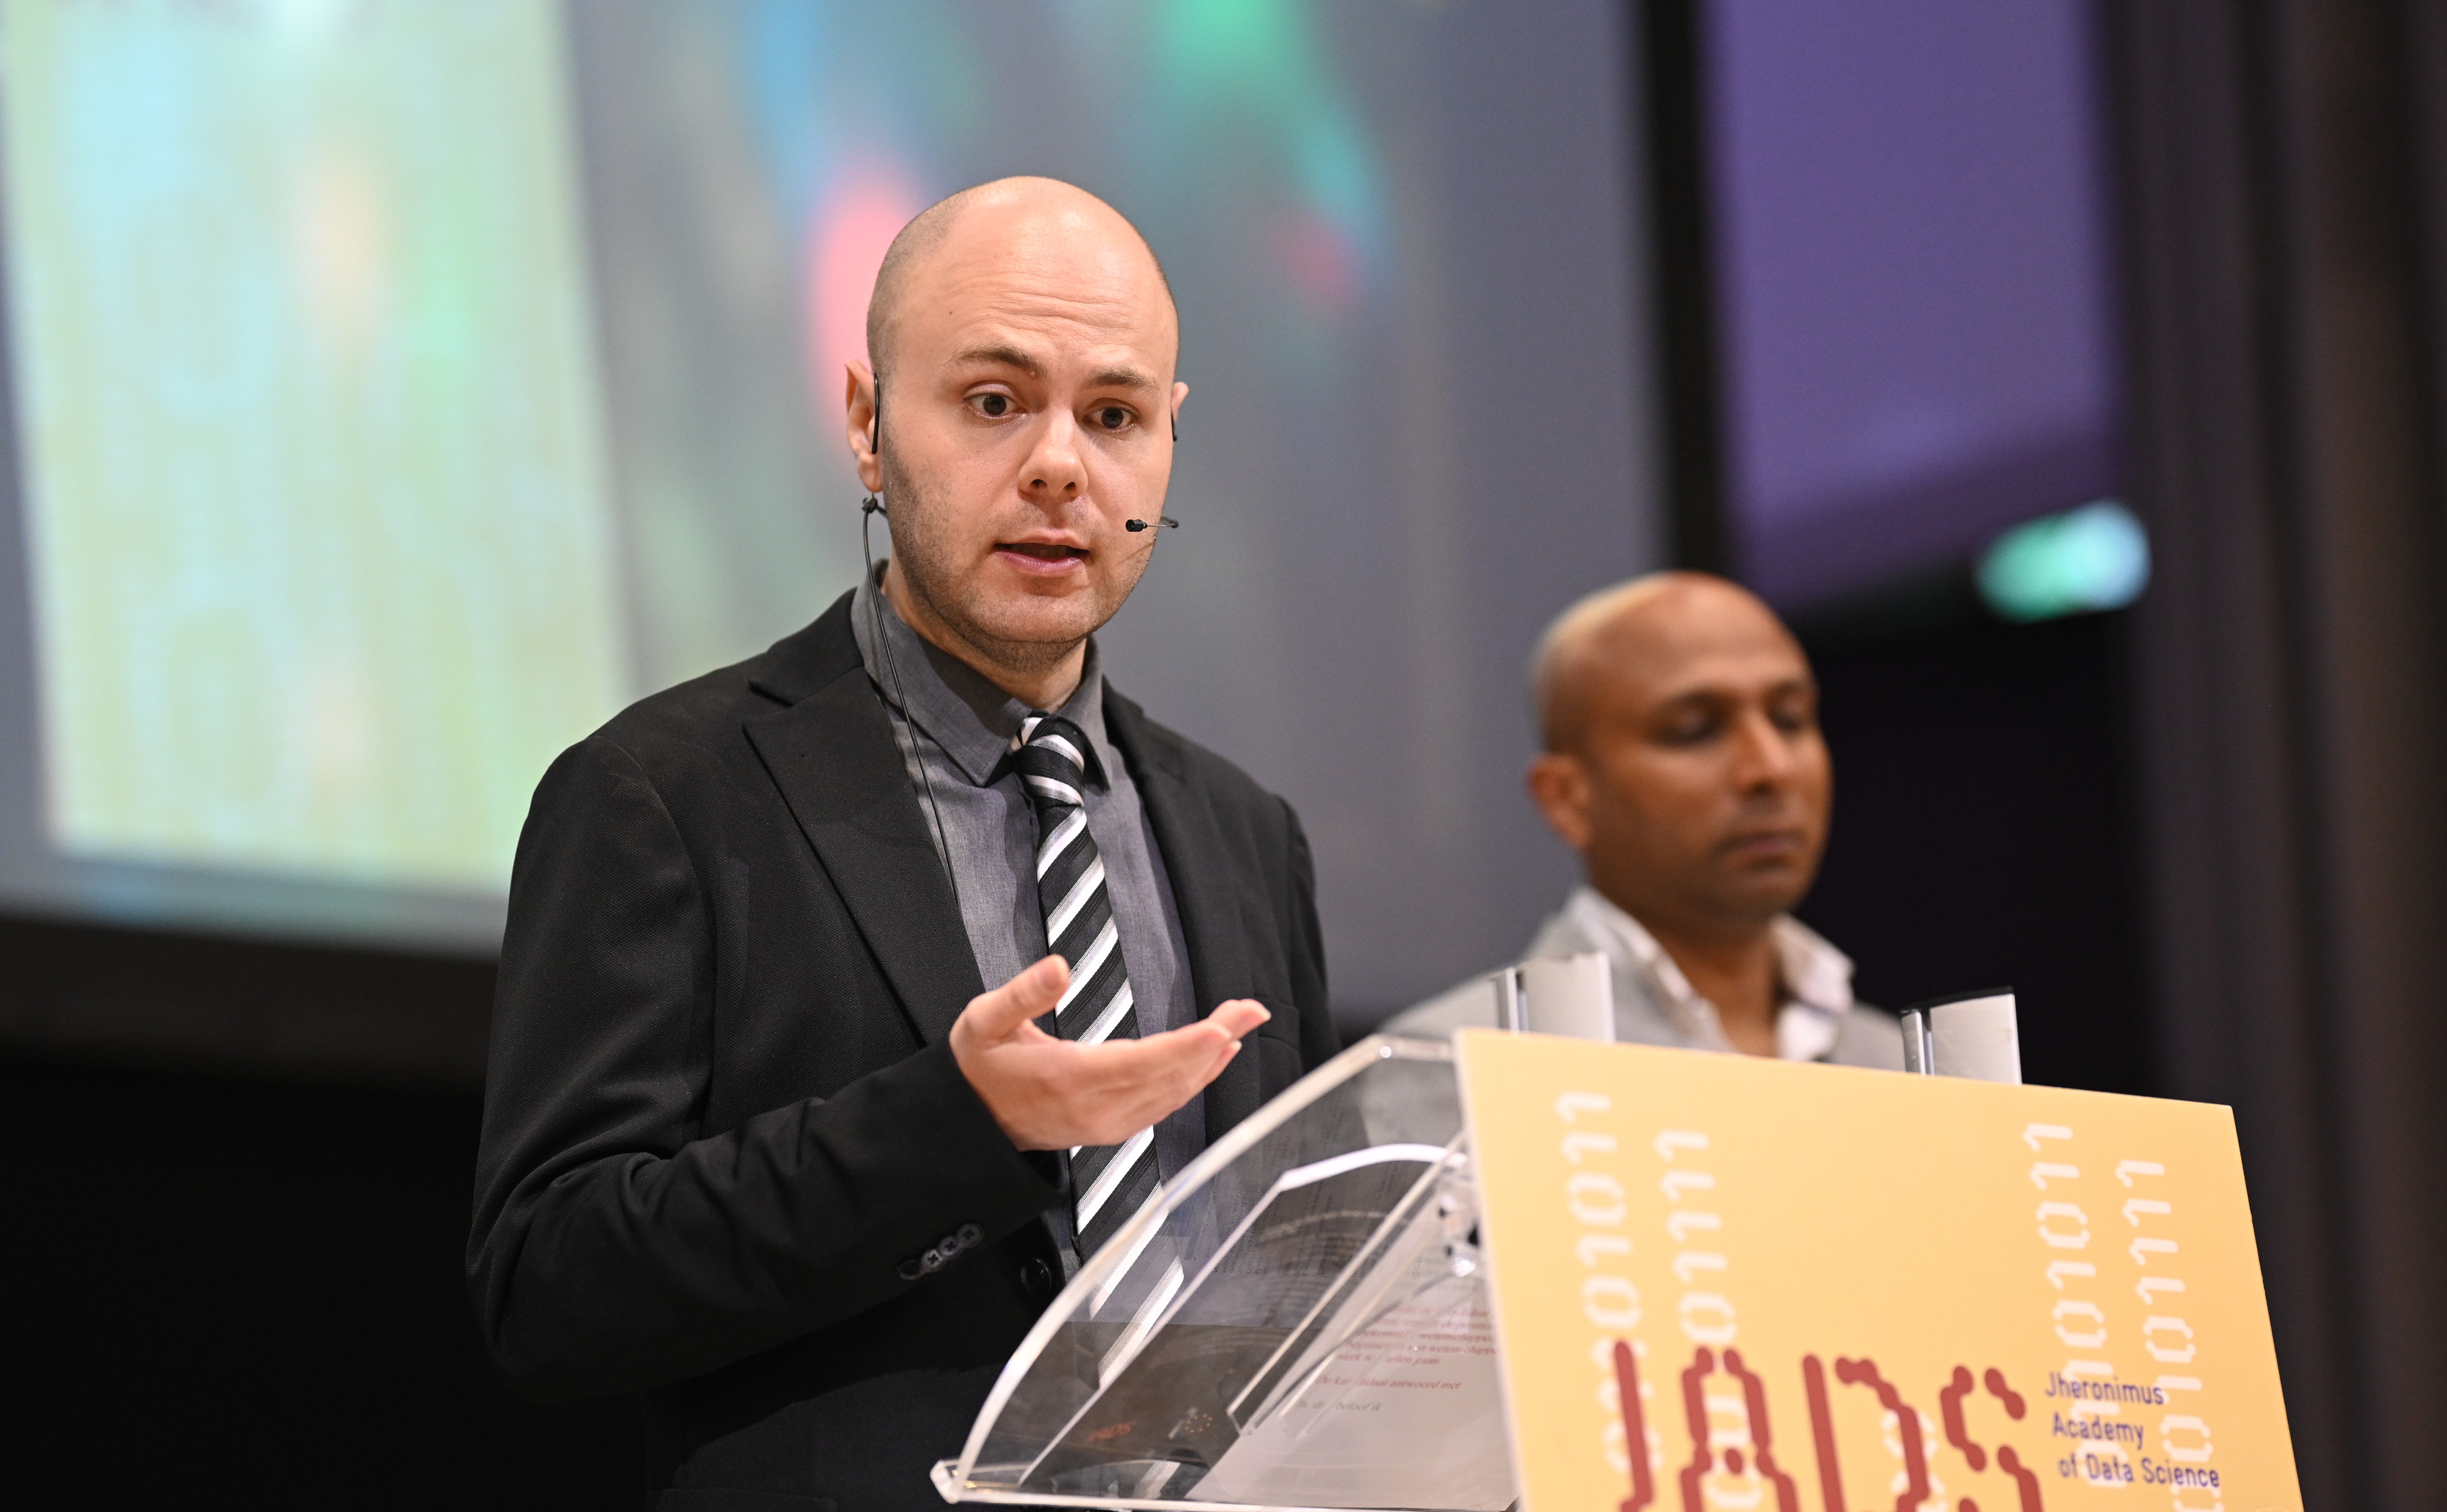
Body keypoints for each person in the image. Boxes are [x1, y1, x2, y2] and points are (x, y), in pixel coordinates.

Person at [467, 177, 1339, 1509]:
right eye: (993, 402)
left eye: (1112, 416)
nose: (1059, 466)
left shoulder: (1244, 834)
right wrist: (956, 1125)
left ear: (1170, 436)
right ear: (868, 426)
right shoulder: (664, 794)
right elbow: (550, 1283)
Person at [1388, 573, 1902, 1068]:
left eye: (1790, 718)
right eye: (1694, 729)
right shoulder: (1449, 1064)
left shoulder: (1908, 1071)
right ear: (1566, 799)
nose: (1772, 767)